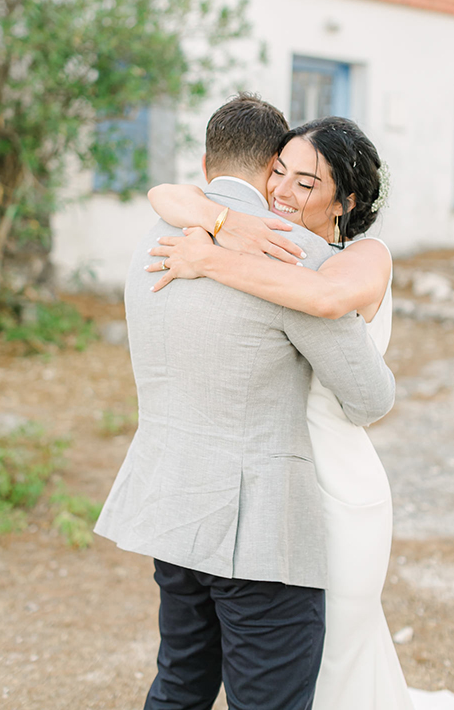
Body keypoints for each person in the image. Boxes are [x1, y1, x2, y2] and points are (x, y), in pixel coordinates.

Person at [94, 94, 396, 710]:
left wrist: (211, 249)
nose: (284, 190)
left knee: (180, 685)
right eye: (281, 172)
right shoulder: (292, 255)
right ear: (266, 167)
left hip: (175, 508)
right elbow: (369, 396)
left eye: (305, 179)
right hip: (262, 528)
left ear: (209, 164)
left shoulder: (160, 235)